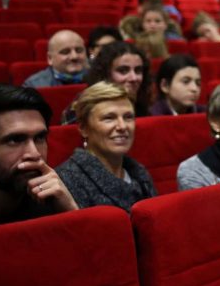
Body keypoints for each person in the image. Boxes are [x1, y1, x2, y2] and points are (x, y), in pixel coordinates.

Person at [56, 82, 157, 212]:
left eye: (128, 117)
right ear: (83, 128)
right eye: (109, 118)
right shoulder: (67, 179)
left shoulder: (139, 172)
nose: (122, 126)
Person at [0, 84, 78, 225]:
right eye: (15, 140)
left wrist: (71, 211)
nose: (34, 153)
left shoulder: (56, 196)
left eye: (39, 138)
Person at [65, 42, 152, 123]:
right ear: (105, 74)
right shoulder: (82, 107)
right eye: (123, 71)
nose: (133, 78)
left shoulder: (144, 102)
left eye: (138, 71)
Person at [22, 30, 89, 87]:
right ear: (50, 58)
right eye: (65, 52)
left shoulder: (95, 78)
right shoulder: (35, 85)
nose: (74, 56)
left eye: (79, 50)